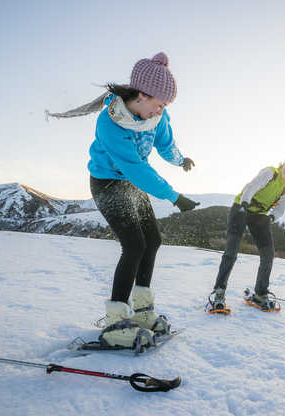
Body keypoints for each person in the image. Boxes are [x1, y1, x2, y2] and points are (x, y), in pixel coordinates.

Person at [49, 52, 199, 348]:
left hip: (132, 183)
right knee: (134, 245)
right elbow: (136, 168)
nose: (160, 111)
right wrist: (174, 196)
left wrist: (181, 160)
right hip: (107, 183)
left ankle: (142, 312)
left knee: (152, 240)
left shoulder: (157, 116)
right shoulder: (110, 123)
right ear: (141, 96)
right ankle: (116, 321)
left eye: (165, 107)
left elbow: (165, 144)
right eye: (158, 105)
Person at [208, 149, 285, 313]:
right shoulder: (270, 172)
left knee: (268, 254)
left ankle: (260, 293)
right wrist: (245, 204)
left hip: (259, 215)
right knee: (232, 251)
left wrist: (271, 218)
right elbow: (252, 188)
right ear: (283, 165)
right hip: (242, 208)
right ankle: (219, 292)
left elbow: (280, 209)